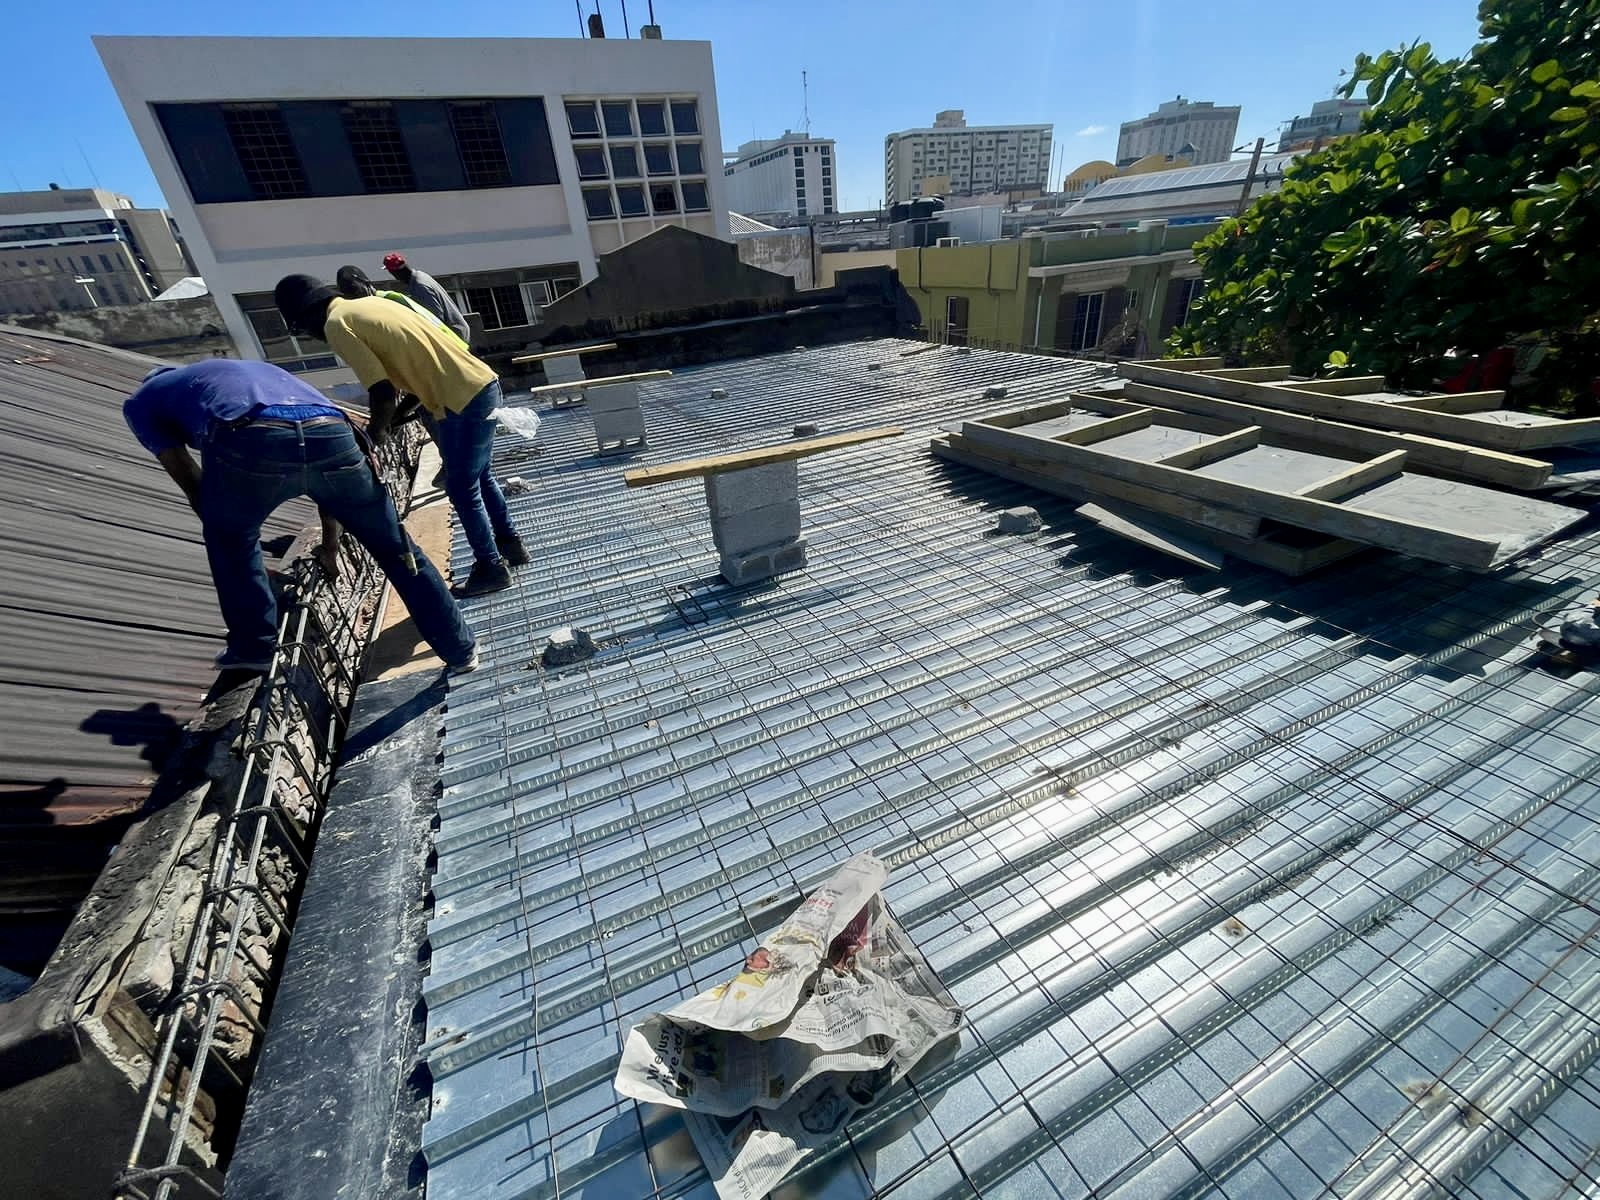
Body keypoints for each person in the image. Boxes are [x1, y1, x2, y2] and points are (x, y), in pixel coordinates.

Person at [123, 359, 479, 678]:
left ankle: (253, 649)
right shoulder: (249, 373)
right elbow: (324, 481)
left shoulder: (143, 402)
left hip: (249, 436)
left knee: (229, 541)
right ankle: (460, 649)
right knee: (395, 547)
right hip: (333, 431)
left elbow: (188, 477)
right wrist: (330, 545)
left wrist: (233, 533)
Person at [273, 273, 528, 597]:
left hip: (461, 400)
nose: (309, 336)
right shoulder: (372, 305)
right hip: (480, 385)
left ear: (307, 314)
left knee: (462, 488)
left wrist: (374, 434)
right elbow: (414, 374)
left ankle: (491, 567)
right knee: (481, 477)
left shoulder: (338, 325)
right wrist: (396, 419)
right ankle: (511, 546)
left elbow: (381, 392)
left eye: (300, 330)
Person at [381, 252, 471, 345]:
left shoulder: (420, 287)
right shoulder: (421, 275)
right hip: (456, 331)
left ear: (395, 273)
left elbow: (435, 319)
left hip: (453, 336)